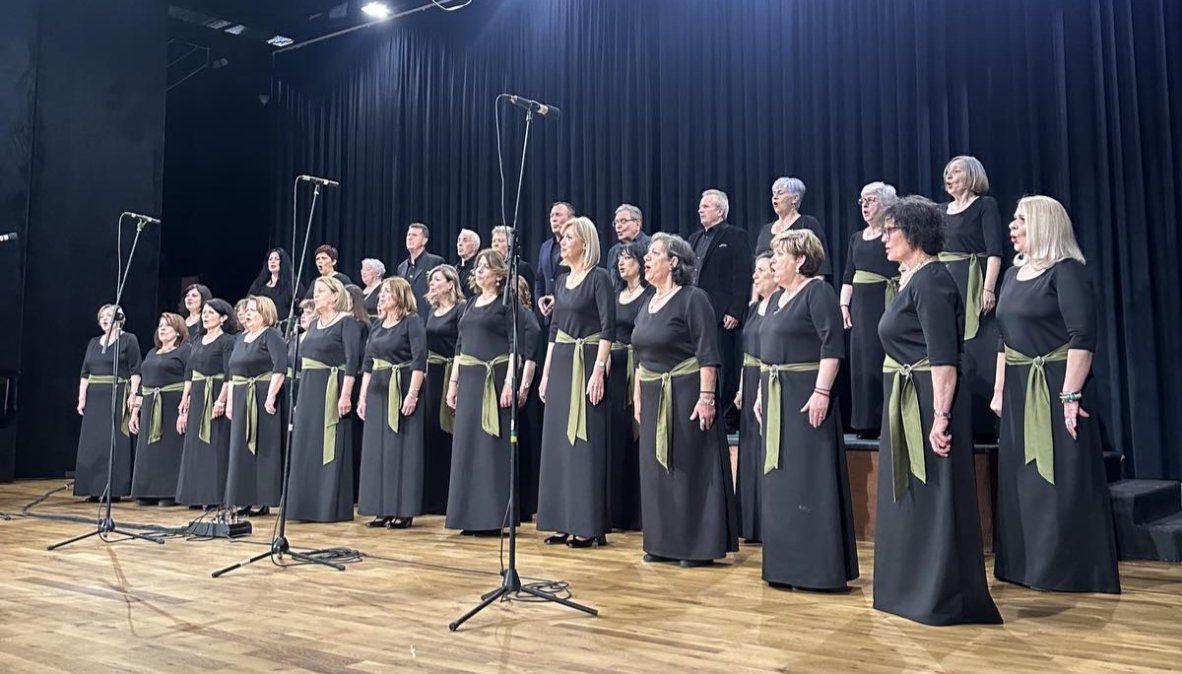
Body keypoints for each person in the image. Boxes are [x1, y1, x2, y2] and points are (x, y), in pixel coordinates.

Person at [874, 196, 1001, 625]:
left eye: (891, 230)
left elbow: (944, 358)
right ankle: (908, 588)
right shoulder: (913, 279)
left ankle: (936, 595)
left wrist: (940, 417)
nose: (885, 238)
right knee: (913, 493)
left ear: (914, 233)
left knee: (934, 493)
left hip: (929, 402)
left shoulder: (931, 282)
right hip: (908, 397)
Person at [991, 195, 1119, 593]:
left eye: (1021, 220)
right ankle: (1023, 566)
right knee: (1023, 479)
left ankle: (1066, 570)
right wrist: (999, 391)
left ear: (1044, 225)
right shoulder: (1011, 275)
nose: (1012, 226)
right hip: (1018, 391)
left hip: (1056, 388)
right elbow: (1003, 340)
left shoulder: (1066, 272)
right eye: (1013, 220)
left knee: (1061, 480)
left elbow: (1082, 337)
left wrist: (1070, 396)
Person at [754, 229, 857, 590]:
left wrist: (821, 391)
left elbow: (832, 345)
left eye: (779, 255)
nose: (772, 262)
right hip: (776, 396)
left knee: (808, 479)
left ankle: (815, 569)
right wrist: (760, 393)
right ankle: (784, 566)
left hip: (805, 397)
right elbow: (768, 350)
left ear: (800, 260)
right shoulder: (777, 300)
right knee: (781, 480)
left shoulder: (817, 292)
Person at [632, 233, 738, 567]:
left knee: (687, 468)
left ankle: (695, 546)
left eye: (654, 253)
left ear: (673, 261)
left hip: (686, 392)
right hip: (653, 395)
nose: (646, 258)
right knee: (657, 471)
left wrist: (707, 397)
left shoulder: (693, 299)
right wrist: (638, 394)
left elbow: (708, 352)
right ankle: (662, 542)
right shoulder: (647, 302)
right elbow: (641, 354)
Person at [445, 249, 540, 535]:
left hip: (495, 379)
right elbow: (460, 346)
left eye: (485, 267)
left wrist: (510, 382)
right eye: (477, 267)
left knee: (491, 448)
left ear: (499, 275)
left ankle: (493, 517)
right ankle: (468, 517)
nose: (479, 271)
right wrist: (453, 383)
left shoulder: (507, 304)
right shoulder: (470, 304)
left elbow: (515, 346)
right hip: (470, 381)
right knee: (468, 447)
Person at [537, 217, 615, 548]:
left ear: (585, 242)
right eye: (563, 237)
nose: (563, 241)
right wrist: (546, 373)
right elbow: (555, 331)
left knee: (584, 445)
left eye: (569, 237)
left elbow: (608, 329)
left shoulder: (599, 278)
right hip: (562, 363)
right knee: (559, 444)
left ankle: (587, 525)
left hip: (587, 363)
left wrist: (599, 370)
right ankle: (562, 520)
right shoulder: (561, 281)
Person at [940, 156, 1006, 437]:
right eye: (947, 172)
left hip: (974, 281)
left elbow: (994, 251)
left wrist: (988, 288)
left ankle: (985, 423)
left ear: (971, 175)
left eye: (955, 171)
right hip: (946, 284)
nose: (949, 176)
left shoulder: (985, 206)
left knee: (978, 347)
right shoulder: (940, 210)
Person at [287, 276, 361, 522]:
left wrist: (345, 394)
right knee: (306, 444)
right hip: (309, 389)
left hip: (331, 387)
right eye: (315, 291)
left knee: (329, 443)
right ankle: (303, 505)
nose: (316, 295)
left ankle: (327, 506)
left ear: (335, 295)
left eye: (321, 291)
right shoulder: (313, 324)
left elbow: (352, 360)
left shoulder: (346, 322)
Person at [357, 277, 428, 529]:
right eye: (382, 292)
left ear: (400, 296)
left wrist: (412, 394)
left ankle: (403, 510)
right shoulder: (377, 325)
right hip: (377, 391)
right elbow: (368, 364)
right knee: (378, 452)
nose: (382, 296)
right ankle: (382, 508)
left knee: (401, 451)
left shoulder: (412, 322)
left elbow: (419, 361)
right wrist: (363, 396)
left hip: (401, 387)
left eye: (387, 292)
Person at [688, 189, 753, 434]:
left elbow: (742, 274)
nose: (700, 210)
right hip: (696, 312)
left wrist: (735, 310)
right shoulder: (694, 238)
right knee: (698, 362)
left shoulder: (736, 236)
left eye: (706, 206)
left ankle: (727, 418)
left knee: (724, 366)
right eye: (700, 206)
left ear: (721, 211)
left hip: (721, 314)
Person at [839, 182, 900, 436]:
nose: (865, 206)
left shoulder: (895, 234)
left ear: (886, 202)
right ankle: (866, 421)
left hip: (887, 303)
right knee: (863, 360)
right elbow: (848, 275)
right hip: (861, 309)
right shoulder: (856, 238)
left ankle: (889, 419)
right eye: (862, 201)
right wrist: (844, 305)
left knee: (883, 357)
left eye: (871, 200)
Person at [224, 296, 288, 517]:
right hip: (241, 396)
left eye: (253, 310)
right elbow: (233, 372)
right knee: (241, 449)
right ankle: (243, 497)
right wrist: (229, 401)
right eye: (247, 310)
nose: (247, 314)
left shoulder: (271, 335)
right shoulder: (241, 338)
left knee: (263, 447)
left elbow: (280, 367)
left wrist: (271, 396)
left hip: (262, 395)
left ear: (265, 313)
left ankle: (262, 499)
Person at [74, 304, 142, 500]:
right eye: (102, 316)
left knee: (113, 441)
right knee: (94, 442)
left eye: (109, 315)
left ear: (120, 318)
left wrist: (133, 394)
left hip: (117, 394)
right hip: (95, 397)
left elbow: (135, 370)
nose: (105, 319)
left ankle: (114, 489)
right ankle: (92, 488)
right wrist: (82, 398)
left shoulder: (128, 339)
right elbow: (85, 373)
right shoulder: (93, 342)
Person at [176, 298, 239, 509]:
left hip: (215, 392)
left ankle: (214, 496)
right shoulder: (197, 340)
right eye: (204, 312)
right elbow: (189, 372)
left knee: (215, 445)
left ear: (223, 318)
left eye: (211, 313)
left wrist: (221, 400)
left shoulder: (227, 341)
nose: (205, 316)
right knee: (196, 446)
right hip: (198, 394)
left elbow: (230, 373)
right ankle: (195, 494)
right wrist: (185, 398)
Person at [608, 241, 652, 531]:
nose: (622, 263)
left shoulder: (648, 295)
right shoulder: (615, 295)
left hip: (637, 368)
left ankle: (638, 512)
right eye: (620, 259)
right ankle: (616, 510)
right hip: (614, 371)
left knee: (637, 434)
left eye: (628, 258)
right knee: (617, 437)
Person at [734, 253, 776, 543]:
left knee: (766, 447)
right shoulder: (753, 308)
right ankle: (749, 523)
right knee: (749, 450)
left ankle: (768, 521)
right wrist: (740, 388)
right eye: (755, 270)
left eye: (761, 270)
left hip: (768, 380)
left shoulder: (779, 306)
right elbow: (746, 354)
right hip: (750, 381)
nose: (755, 276)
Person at [129, 313, 190, 506]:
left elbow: (190, 380)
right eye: (161, 325)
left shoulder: (185, 351)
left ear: (178, 332)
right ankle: (147, 491)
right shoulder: (152, 353)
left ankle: (169, 492)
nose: (162, 329)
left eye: (168, 326)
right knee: (149, 449)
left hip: (172, 405)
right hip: (150, 406)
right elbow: (144, 383)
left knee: (169, 449)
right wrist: (135, 412)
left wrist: (184, 411)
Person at [422, 265, 464, 515]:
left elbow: (461, 344)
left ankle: (451, 497)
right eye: (431, 280)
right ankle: (434, 497)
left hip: (452, 373)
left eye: (437, 279)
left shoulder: (460, 309)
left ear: (450, 284)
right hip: (434, 374)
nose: (433, 283)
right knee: (433, 430)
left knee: (450, 430)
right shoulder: (432, 310)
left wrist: (455, 381)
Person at [754, 177, 831, 276]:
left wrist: (816, 285)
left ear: (795, 198)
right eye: (774, 193)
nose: (775, 197)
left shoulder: (808, 224)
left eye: (780, 193)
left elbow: (820, 266)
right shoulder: (765, 230)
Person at [397, 223, 445, 321]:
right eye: (408, 235)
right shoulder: (402, 267)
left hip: (427, 318)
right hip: (405, 320)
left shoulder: (435, 262)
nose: (410, 238)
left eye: (414, 235)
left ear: (424, 240)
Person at [535, 201, 575, 319]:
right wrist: (539, 300)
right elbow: (540, 279)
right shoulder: (545, 247)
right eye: (551, 215)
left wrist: (557, 299)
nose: (553, 219)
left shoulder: (576, 244)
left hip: (571, 313)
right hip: (549, 316)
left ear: (571, 219)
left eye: (558, 215)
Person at [248, 248, 302, 322]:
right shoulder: (259, 284)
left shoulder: (292, 283)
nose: (272, 261)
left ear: (283, 262)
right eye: (270, 259)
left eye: (276, 259)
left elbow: (301, 305)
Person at [605, 204, 651, 284]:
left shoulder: (651, 245)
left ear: (637, 224)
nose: (618, 226)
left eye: (623, 221)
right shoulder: (613, 251)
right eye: (616, 222)